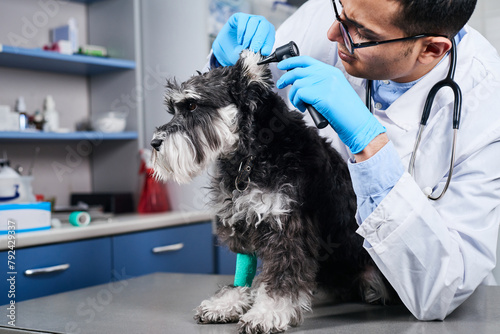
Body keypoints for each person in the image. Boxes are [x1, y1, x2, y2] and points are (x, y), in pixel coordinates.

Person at [208, 0, 500, 321]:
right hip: (320, 294)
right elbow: (246, 111)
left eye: (362, 33)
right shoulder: (338, 11)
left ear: (430, 48)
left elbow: (442, 289)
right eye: (340, 13)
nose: (334, 32)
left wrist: (369, 143)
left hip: (412, 310)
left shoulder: (486, 100)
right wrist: (222, 67)